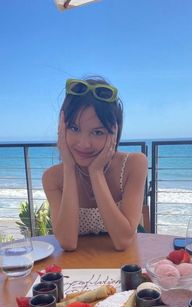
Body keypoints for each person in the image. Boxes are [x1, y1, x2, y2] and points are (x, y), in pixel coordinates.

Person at [42, 76, 148, 251]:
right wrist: (68, 167)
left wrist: (96, 172)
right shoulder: (52, 178)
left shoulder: (134, 164)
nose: (84, 143)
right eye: (74, 128)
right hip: (75, 273)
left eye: (97, 132)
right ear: (61, 129)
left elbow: (123, 241)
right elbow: (68, 243)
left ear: (114, 132)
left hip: (126, 268)